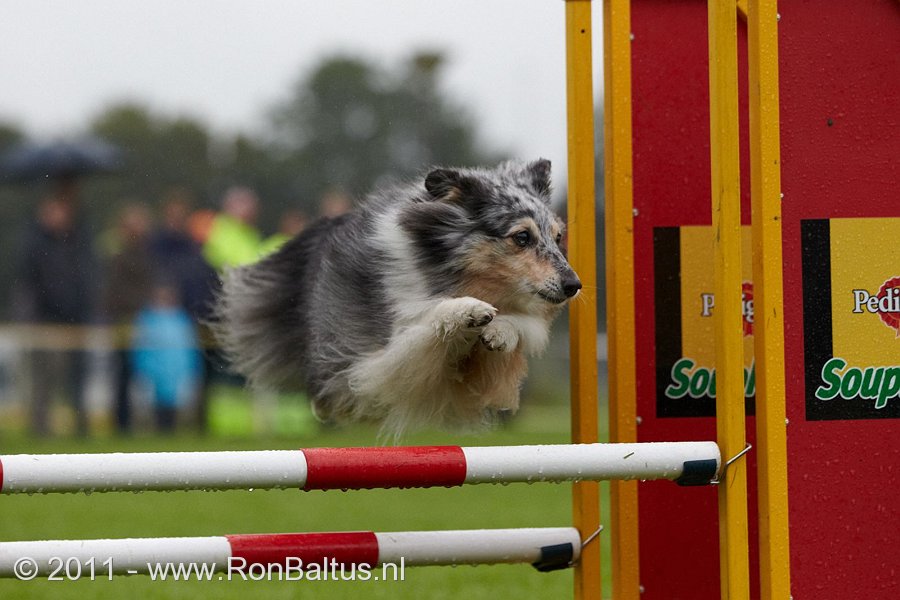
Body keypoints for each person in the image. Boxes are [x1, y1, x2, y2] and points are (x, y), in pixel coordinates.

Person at [13, 183, 96, 436]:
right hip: (45, 320)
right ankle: (40, 428)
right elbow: (27, 281)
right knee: (44, 379)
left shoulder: (77, 240)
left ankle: (80, 428)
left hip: (75, 318)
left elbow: (86, 277)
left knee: (77, 378)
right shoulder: (34, 243)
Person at [102, 202, 155, 434]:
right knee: (122, 374)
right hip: (123, 320)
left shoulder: (147, 251)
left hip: (143, 320)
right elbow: (113, 288)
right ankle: (122, 423)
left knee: (142, 374)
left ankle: (139, 421)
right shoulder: (114, 250)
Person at [131, 283, 202, 433]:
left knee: (178, 409)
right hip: (152, 373)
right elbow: (140, 350)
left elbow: (190, 350)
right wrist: (143, 369)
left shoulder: (181, 320)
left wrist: (192, 369)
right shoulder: (146, 320)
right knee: (152, 409)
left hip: (177, 372)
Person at [202, 186, 263, 271]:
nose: (249, 208)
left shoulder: (251, 233)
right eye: (242, 203)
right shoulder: (219, 229)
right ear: (229, 205)